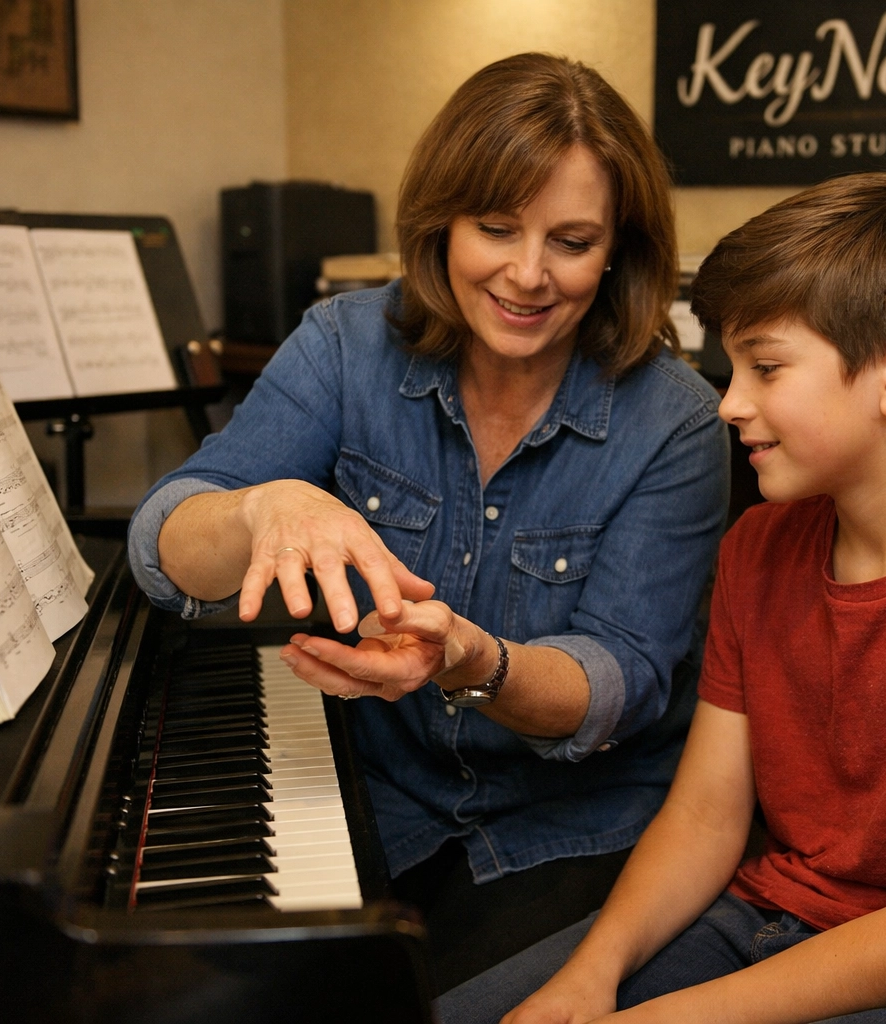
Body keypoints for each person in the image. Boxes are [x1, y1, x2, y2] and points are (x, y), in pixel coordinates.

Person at [436, 173, 886, 1024]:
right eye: (732, 369)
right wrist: (591, 977)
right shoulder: (761, 546)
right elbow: (704, 819)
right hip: (779, 913)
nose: (731, 403)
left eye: (766, 368)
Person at [126, 53, 729, 991]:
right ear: (441, 220)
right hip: (381, 796)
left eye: (572, 241)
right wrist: (261, 506)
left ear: (620, 250)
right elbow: (161, 545)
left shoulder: (677, 422)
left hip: (574, 826)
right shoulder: (345, 345)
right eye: (496, 228)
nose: (527, 275)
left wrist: (472, 659)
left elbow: (623, 679)